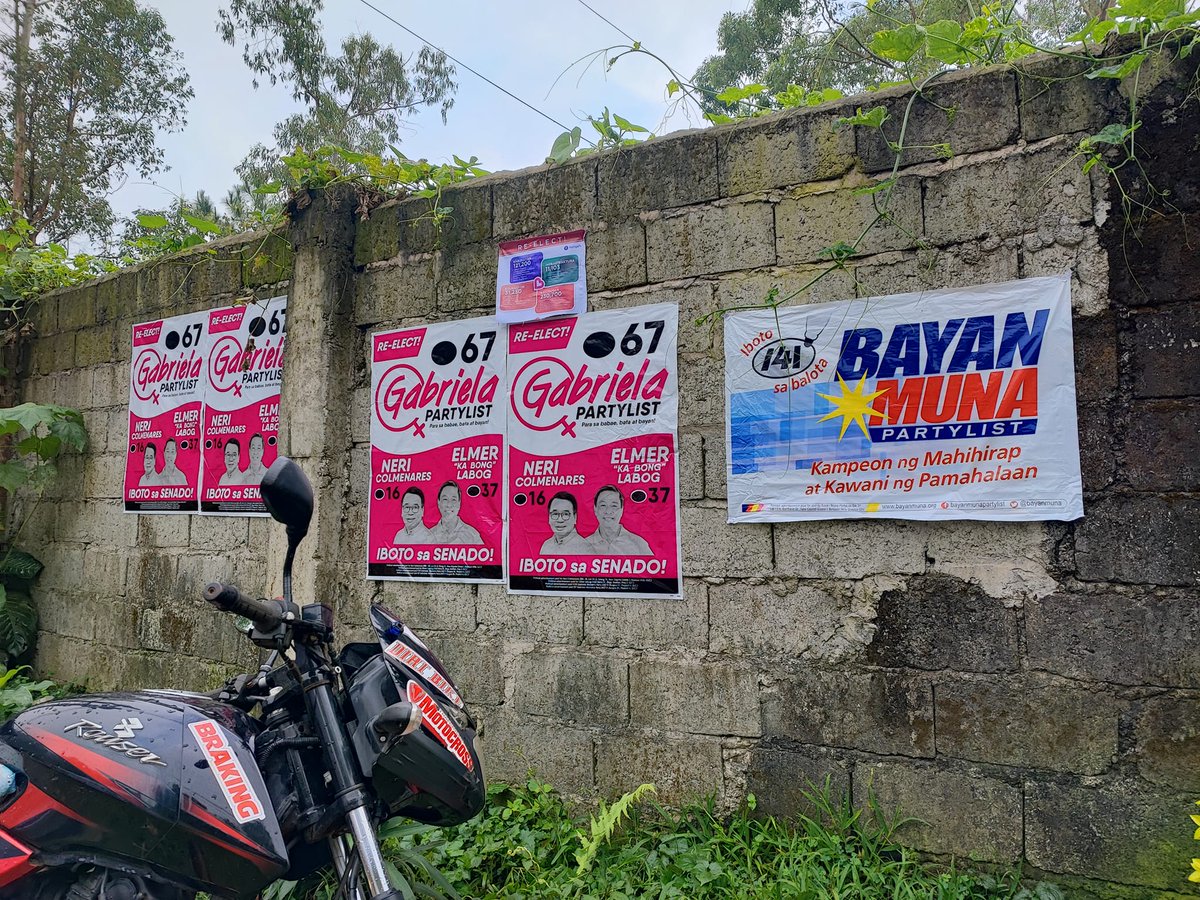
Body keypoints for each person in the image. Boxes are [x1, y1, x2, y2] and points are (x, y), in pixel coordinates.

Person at [582, 485, 652, 555]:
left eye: (614, 506)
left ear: (621, 510)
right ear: (595, 509)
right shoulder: (583, 546)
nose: (608, 511)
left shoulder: (638, 544)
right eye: (603, 505)